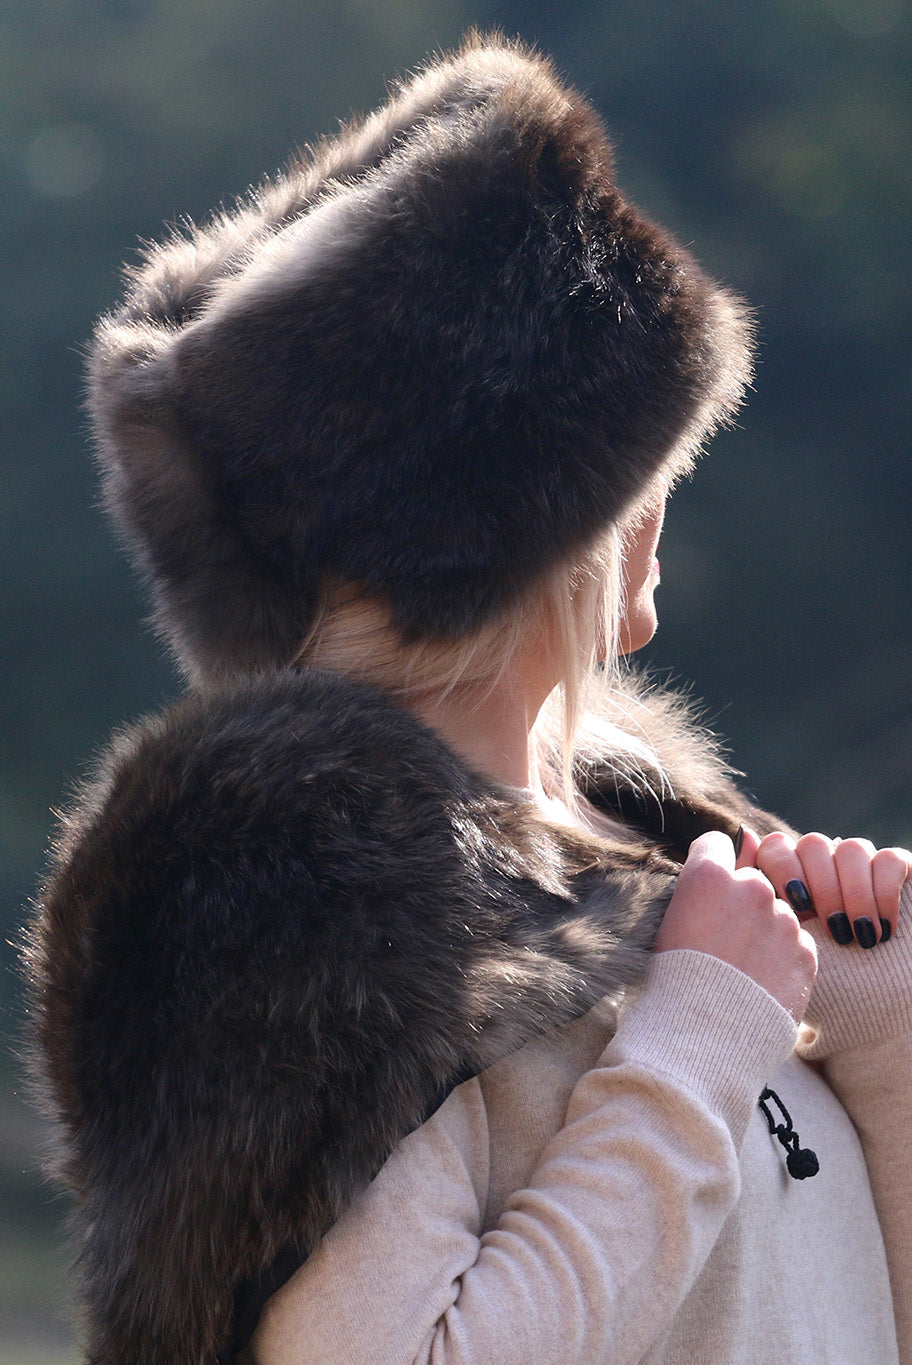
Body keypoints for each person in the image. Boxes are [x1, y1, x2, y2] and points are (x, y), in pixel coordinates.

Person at [25, 32, 912, 1365]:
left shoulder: (679, 864)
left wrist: (888, 1039)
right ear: (535, 519)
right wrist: (692, 1055)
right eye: (640, 459)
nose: (661, 500)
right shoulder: (321, 938)